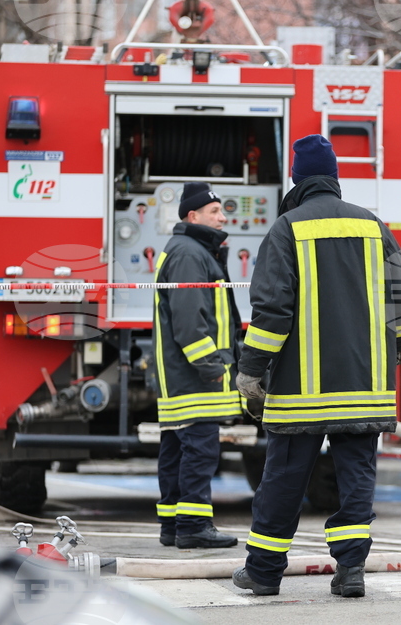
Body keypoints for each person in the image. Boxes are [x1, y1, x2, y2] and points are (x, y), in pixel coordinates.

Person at [231, 134, 401, 598]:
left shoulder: (286, 229)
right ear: (334, 177)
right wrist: (395, 347)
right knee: (356, 478)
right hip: (364, 386)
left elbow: (272, 311)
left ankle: (264, 572)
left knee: (283, 479)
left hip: (302, 392)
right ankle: (351, 571)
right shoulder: (373, 226)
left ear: (296, 179)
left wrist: (251, 370)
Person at [153, 182, 241, 549]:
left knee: (176, 448)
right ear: (193, 216)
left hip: (180, 374)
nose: (223, 218)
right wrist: (211, 366)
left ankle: (173, 525)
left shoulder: (188, 250)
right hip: (194, 376)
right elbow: (190, 321)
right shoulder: (190, 254)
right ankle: (192, 526)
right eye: (215, 212)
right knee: (200, 450)